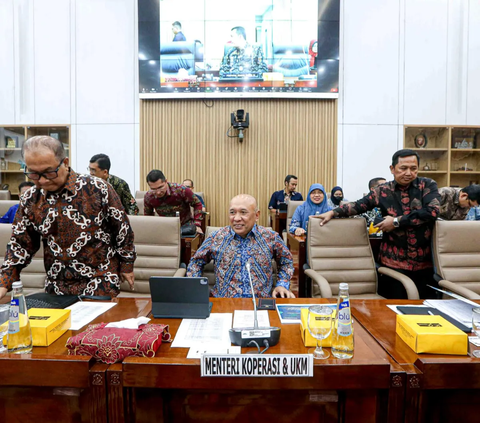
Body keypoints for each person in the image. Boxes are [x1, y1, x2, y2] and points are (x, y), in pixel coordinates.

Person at [0, 136, 136, 299]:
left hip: (99, 281)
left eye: (49, 172)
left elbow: (122, 229)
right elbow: (21, 243)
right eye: (33, 174)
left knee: (95, 325)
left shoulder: (97, 189)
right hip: (57, 286)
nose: (42, 180)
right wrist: (4, 280)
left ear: (65, 162)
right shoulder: (31, 198)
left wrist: (127, 265)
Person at [316, 149, 441, 299]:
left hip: (424, 265)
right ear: (392, 169)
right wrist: (333, 212)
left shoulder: (427, 186)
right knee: (390, 313)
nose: (409, 173)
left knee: (425, 314)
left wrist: (395, 221)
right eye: (403, 168)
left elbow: (432, 212)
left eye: (413, 169)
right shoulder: (382, 191)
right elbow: (359, 205)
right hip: (393, 265)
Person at [187, 194, 294, 298]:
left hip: (260, 304)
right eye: (232, 213)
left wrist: (282, 284)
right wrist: (196, 289)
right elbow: (196, 262)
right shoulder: (216, 237)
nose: (237, 218)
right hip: (223, 305)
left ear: (257, 215)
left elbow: (286, 261)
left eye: (243, 212)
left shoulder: (270, 237)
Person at [144, 170, 203, 234]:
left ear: (166, 181)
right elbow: (148, 216)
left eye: (160, 187)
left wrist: (197, 224)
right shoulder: (149, 196)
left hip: (185, 226)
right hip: (164, 227)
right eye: (154, 189)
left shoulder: (181, 190)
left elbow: (197, 204)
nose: (158, 192)